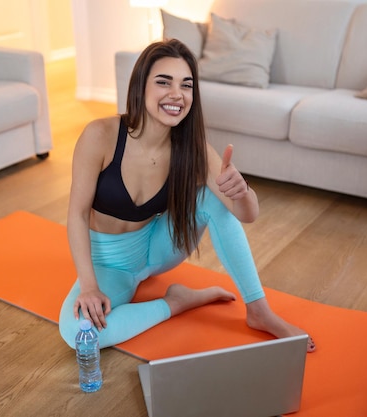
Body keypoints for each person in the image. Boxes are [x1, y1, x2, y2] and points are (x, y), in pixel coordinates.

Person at [58, 39, 315, 353]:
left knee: (211, 196)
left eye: (186, 85)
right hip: (107, 266)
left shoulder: (191, 147)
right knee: (78, 333)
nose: (176, 94)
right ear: (140, 86)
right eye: (163, 82)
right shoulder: (100, 135)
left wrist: (241, 190)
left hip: (155, 250)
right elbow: (77, 214)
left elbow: (246, 214)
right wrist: (89, 286)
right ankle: (176, 302)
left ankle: (260, 311)